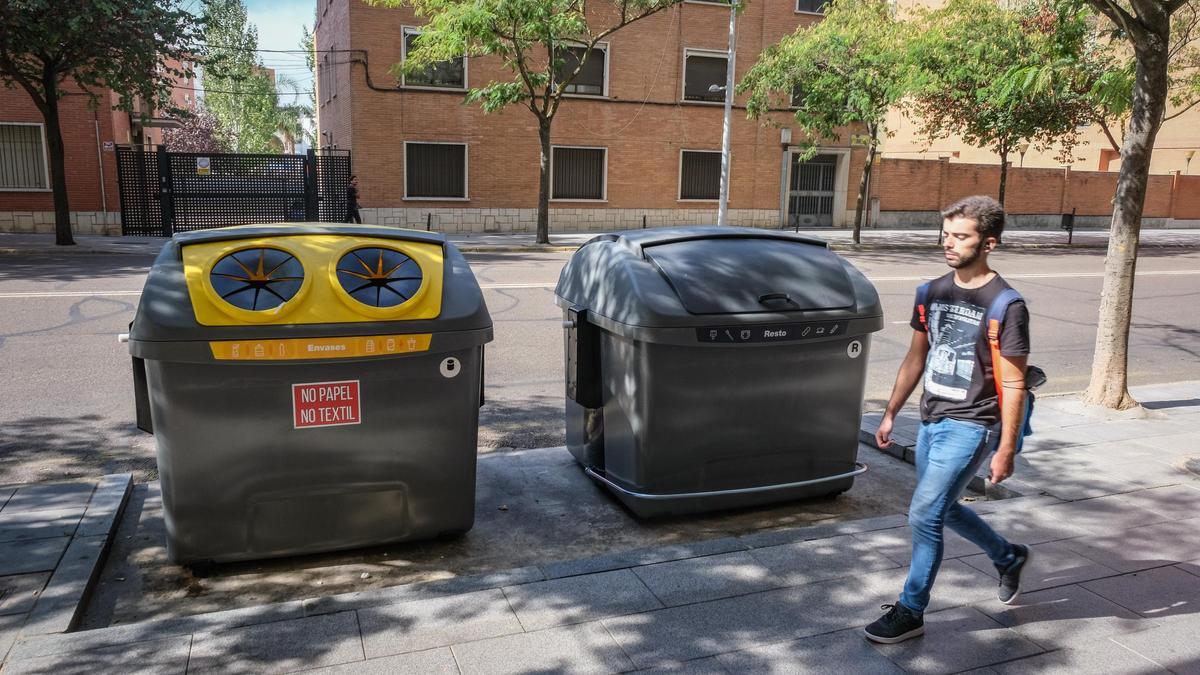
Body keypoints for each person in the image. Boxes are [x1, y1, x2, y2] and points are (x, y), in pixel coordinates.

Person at [865, 195, 1032, 644]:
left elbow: (1014, 383)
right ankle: (1007, 556)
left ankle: (911, 609)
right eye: (946, 235)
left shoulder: (1006, 305)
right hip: (931, 419)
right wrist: (891, 412)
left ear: (989, 243)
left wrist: (1007, 447)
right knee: (943, 506)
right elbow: (916, 356)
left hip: (973, 424)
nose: (949, 244)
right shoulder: (931, 292)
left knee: (924, 513)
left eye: (961, 236)